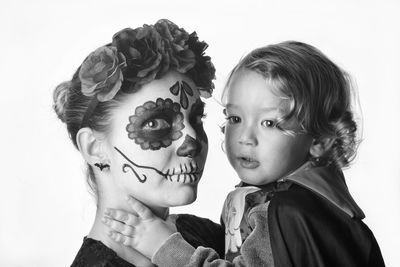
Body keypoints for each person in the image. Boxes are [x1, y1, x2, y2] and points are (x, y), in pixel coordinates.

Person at [103, 41, 386, 266]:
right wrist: (180, 226)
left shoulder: (288, 213)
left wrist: (163, 247)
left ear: (320, 140)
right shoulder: (274, 198)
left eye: (269, 123)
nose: (245, 139)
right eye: (235, 118)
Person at [53, 19, 224, 267]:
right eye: (155, 124)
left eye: (196, 118)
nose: (193, 141)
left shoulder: (206, 237)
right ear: (94, 148)